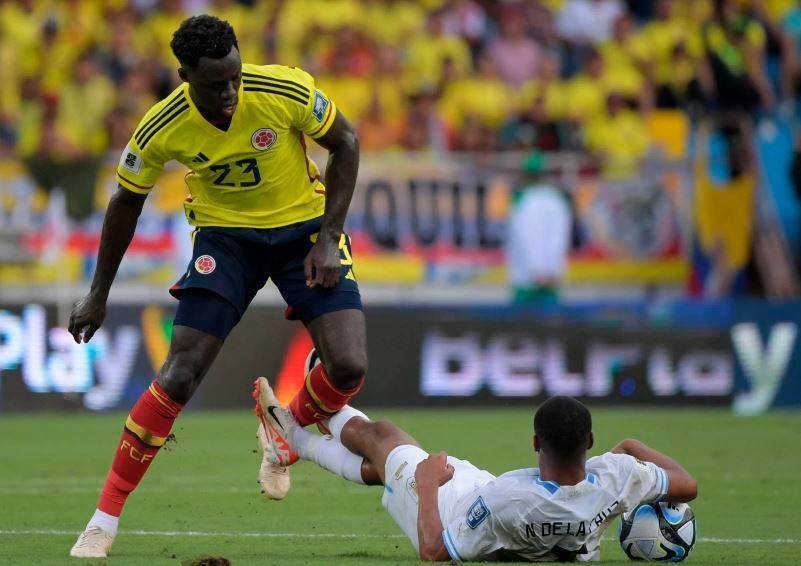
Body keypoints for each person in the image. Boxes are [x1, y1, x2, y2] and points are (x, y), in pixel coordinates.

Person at [68, 15, 367, 558]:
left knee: (348, 366)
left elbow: (345, 142)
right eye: (215, 83)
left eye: (234, 76)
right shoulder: (162, 126)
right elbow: (126, 201)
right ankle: (102, 520)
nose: (230, 91)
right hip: (226, 241)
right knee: (179, 373)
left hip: (303, 230)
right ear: (184, 76)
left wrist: (329, 237)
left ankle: (286, 430)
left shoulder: (283, 88)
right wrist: (98, 292)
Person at [255, 377, 698, 562]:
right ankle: (292, 447)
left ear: (536, 443)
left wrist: (428, 486)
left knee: (386, 440)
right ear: (590, 443)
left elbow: (433, 551)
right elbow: (688, 485)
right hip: (488, 498)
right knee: (384, 468)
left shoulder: (509, 501)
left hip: (451, 511)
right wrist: (632, 452)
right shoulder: (618, 480)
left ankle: (294, 431)